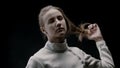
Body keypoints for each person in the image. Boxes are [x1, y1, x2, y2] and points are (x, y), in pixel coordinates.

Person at [25, 5, 115, 68]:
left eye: (60, 18)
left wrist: (99, 40)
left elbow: (108, 66)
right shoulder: (37, 60)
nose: (58, 23)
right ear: (43, 30)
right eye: (51, 21)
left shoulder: (78, 53)